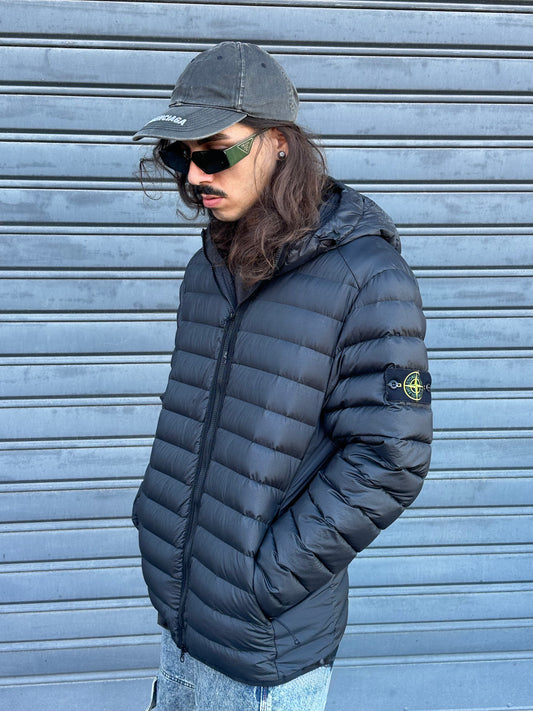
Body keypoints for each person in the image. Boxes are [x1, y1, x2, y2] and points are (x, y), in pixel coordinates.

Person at [131, 41, 432, 711]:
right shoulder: (209, 270)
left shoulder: (367, 278)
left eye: (215, 152)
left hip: (264, 650)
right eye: (179, 155)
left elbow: (392, 457)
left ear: (279, 144)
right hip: (182, 615)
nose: (194, 176)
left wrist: (260, 578)